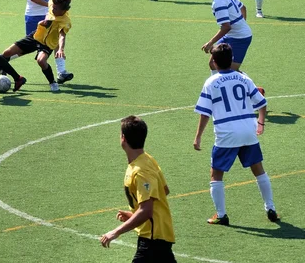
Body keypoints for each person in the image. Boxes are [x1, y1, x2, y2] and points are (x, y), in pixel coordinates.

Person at [193, 43, 277, 226]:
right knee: (259, 170)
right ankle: (271, 207)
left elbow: (205, 113)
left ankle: (222, 215)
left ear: (213, 62)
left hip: (227, 133)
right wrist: (260, 123)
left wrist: (198, 136)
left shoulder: (211, 82)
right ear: (232, 59)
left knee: (216, 175)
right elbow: (262, 103)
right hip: (248, 130)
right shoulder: (244, 78)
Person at [100, 115, 176, 262]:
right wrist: (135, 215)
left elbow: (146, 210)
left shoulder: (141, 171)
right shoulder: (147, 159)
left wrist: (115, 232)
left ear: (123, 138)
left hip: (153, 239)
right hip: (156, 235)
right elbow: (163, 191)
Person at [0, 0, 72, 93]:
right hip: (35, 37)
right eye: (53, 6)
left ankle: (52, 82)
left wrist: (61, 49)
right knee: (6, 53)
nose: (52, 9)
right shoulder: (53, 5)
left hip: (48, 44)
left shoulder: (65, 21)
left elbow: (62, 36)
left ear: (64, 10)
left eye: (56, 9)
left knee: (41, 61)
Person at [201, 0, 252, 73]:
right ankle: (219, 87)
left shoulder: (218, 2)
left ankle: (250, 87)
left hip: (240, 38)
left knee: (230, 70)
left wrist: (210, 43)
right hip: (232, 35)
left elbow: (226, 27)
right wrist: (241, 25)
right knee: (214, 63)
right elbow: (243, 8)